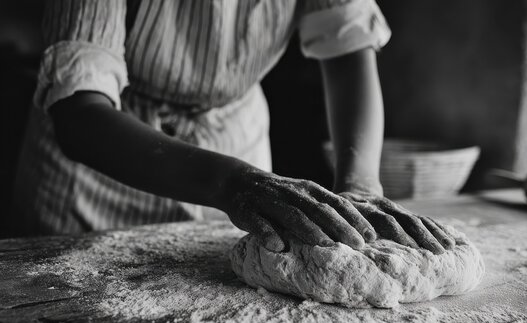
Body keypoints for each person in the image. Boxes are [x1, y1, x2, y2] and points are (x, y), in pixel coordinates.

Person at [12, 0, 455, 254]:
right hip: (105, 157)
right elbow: (79, 113)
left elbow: (347, 52)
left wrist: (361, 186)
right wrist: (231, 184)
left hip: (233, 133)